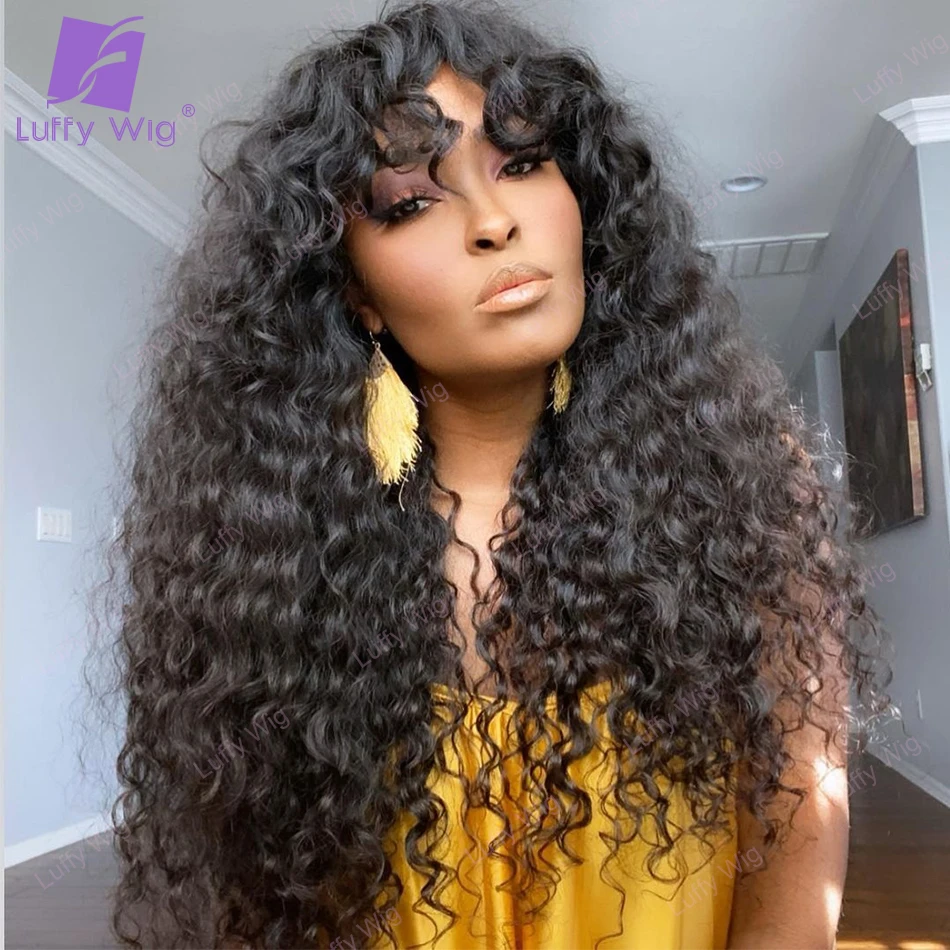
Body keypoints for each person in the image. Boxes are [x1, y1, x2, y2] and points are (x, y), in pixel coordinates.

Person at [88, 1, 895, 947]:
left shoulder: (740, 489)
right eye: (409, 202)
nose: (494, 221)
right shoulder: (274, 555)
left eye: (521, 162)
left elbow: (797, 853)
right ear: (355, 292)